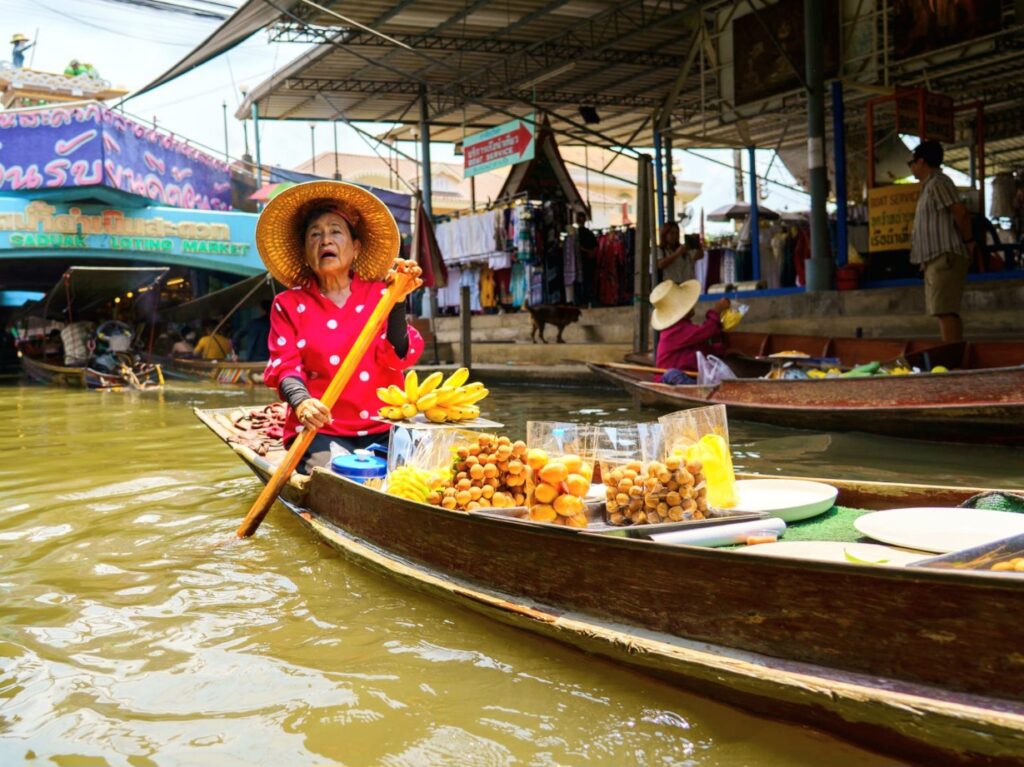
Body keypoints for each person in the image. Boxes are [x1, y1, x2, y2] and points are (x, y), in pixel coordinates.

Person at [258, 180, 423, 474]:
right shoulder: (289, 303)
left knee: (421, 476)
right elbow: (285, 365)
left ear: (356, 247)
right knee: (339, 477)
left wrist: (398, 301)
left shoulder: (382, 295)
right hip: (322, 428)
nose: (325, 241)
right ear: (306, 251)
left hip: (386, 423)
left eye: (335, 231)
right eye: (315, 234)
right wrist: (302, 402)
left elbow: (398, 356)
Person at [908, 140, 975, 342]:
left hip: (944, 256)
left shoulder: (938, 182)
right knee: (944, 311)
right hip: (936, 258)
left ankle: (953, 360)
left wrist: (969, 241)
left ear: (921, 162)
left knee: (945, 311)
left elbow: (960, 213)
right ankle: (956, 356)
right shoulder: (930, 186)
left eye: (911, 162)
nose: (911, 167)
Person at [651, 279, 730, 385]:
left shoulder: (688, 328)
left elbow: (705, 351)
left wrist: (723, 350)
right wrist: (717, 311)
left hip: (690, 377)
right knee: (672, 374)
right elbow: (708, 330)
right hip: (669, 380)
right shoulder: (674, 331)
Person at [574, 211, 598, 307]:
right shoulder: (589, 233)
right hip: (589, 261)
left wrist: (585, 251)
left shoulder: (576, 234)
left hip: (581, 261)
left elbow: (577, 247)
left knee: (582, 281)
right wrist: (590, 252)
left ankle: (583, 301)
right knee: (588, 281)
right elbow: (596, 247)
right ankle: (587, 300)